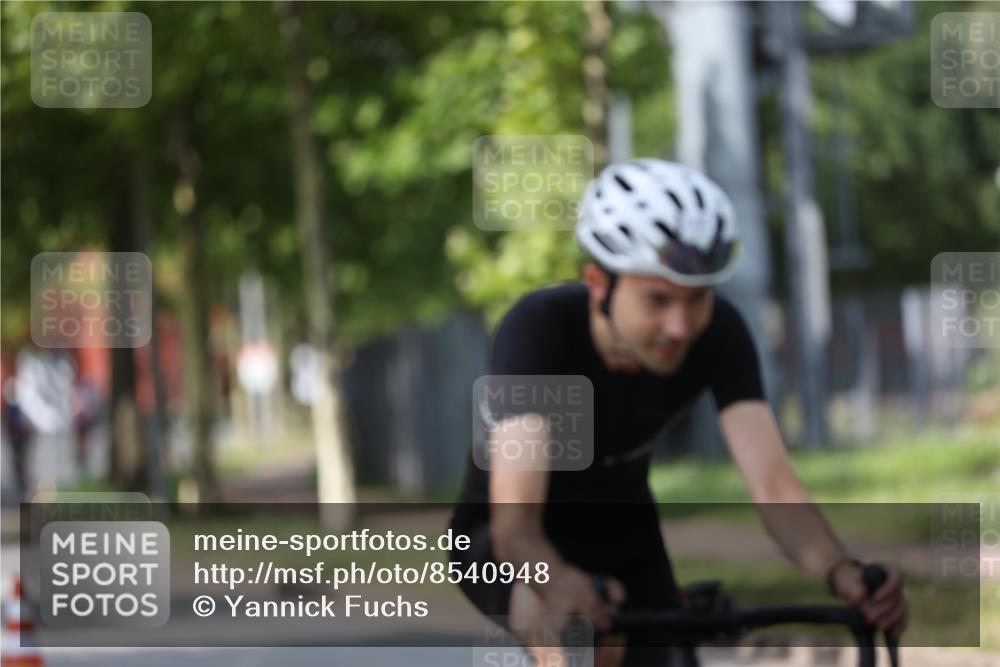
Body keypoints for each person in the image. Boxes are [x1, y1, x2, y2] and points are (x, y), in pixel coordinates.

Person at [448, 159, 907, 667]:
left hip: (626, 533)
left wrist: (843, 572)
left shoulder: (718, 333)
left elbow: (774, 488)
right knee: (574, 639)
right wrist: (557, 580)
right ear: (599, 283)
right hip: (505, 543)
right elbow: (515, 526)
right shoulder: (542, 331)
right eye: (657, 300)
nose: (679, 326)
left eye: (696, 299)